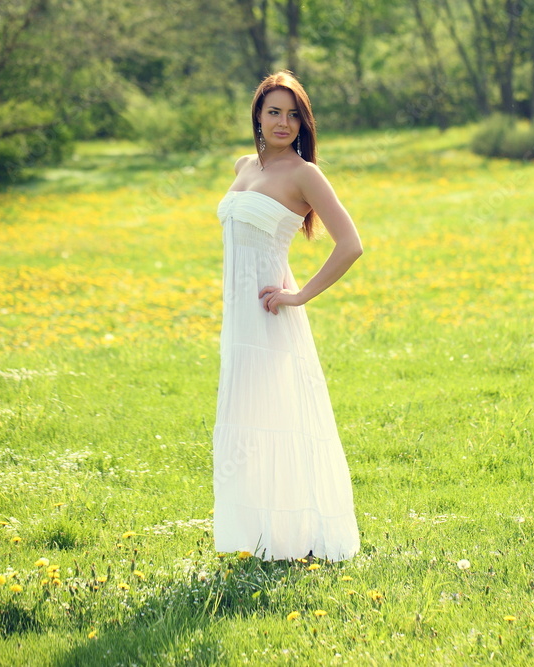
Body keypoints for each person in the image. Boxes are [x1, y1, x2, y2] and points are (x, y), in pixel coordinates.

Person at [213, 70, 362, 562]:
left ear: (304, 122)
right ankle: (254, 537)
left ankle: (294, 539)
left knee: (279, 421)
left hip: (271, 317)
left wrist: (298, 297)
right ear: (257, 114)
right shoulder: (242, 165)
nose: (283, 121)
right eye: (274, 111)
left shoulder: (304, 174)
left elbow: (350, 245)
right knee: (246, 422)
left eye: (293, 114)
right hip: (238, 321)